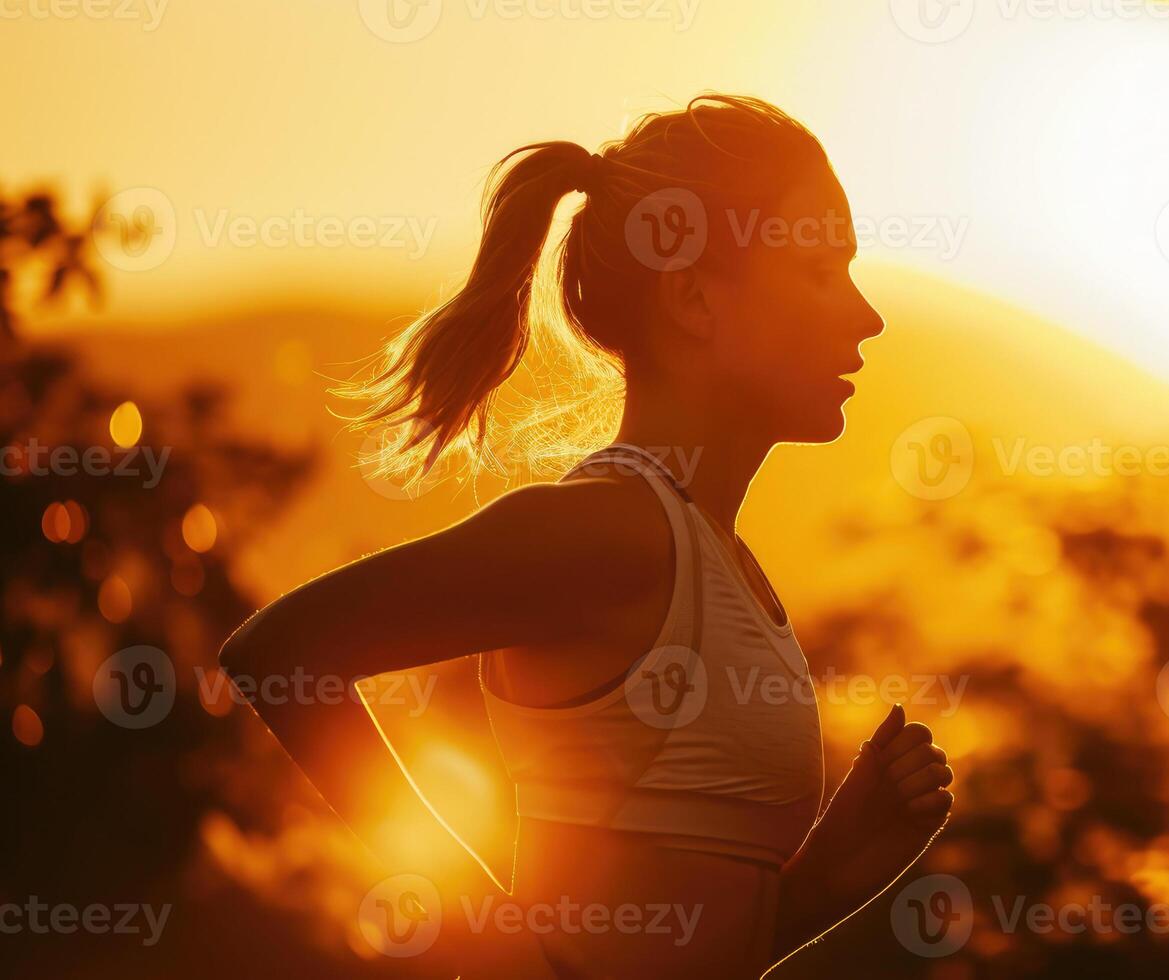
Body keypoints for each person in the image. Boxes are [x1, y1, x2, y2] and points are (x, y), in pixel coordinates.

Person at [219, 93, 954, 978]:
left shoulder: (720, 565)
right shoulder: (618, 532)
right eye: (821, 271)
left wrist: (835, 870)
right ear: (691, 297)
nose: (864, 315)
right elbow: (284, 648)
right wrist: (489, 950)